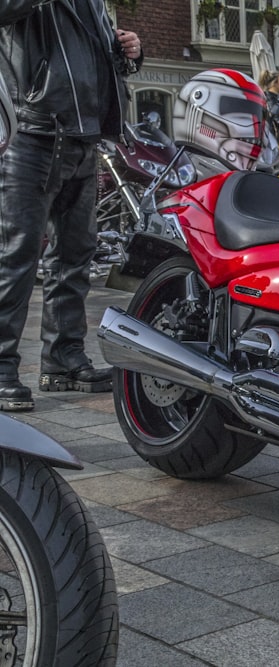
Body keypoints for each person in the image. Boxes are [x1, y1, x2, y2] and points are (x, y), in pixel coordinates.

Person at [0, 2, 143, 411]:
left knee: (75, 256)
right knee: (16, 256)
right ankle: (2, 369)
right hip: (32, 134)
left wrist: (127, 50)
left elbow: (90, 55)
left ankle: (63, 358)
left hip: (82, 137)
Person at [259, 70, 279, 141]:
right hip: (274, 143)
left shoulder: (265, 99)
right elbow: (278, 122)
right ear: (274, 83)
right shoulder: (274, 104)